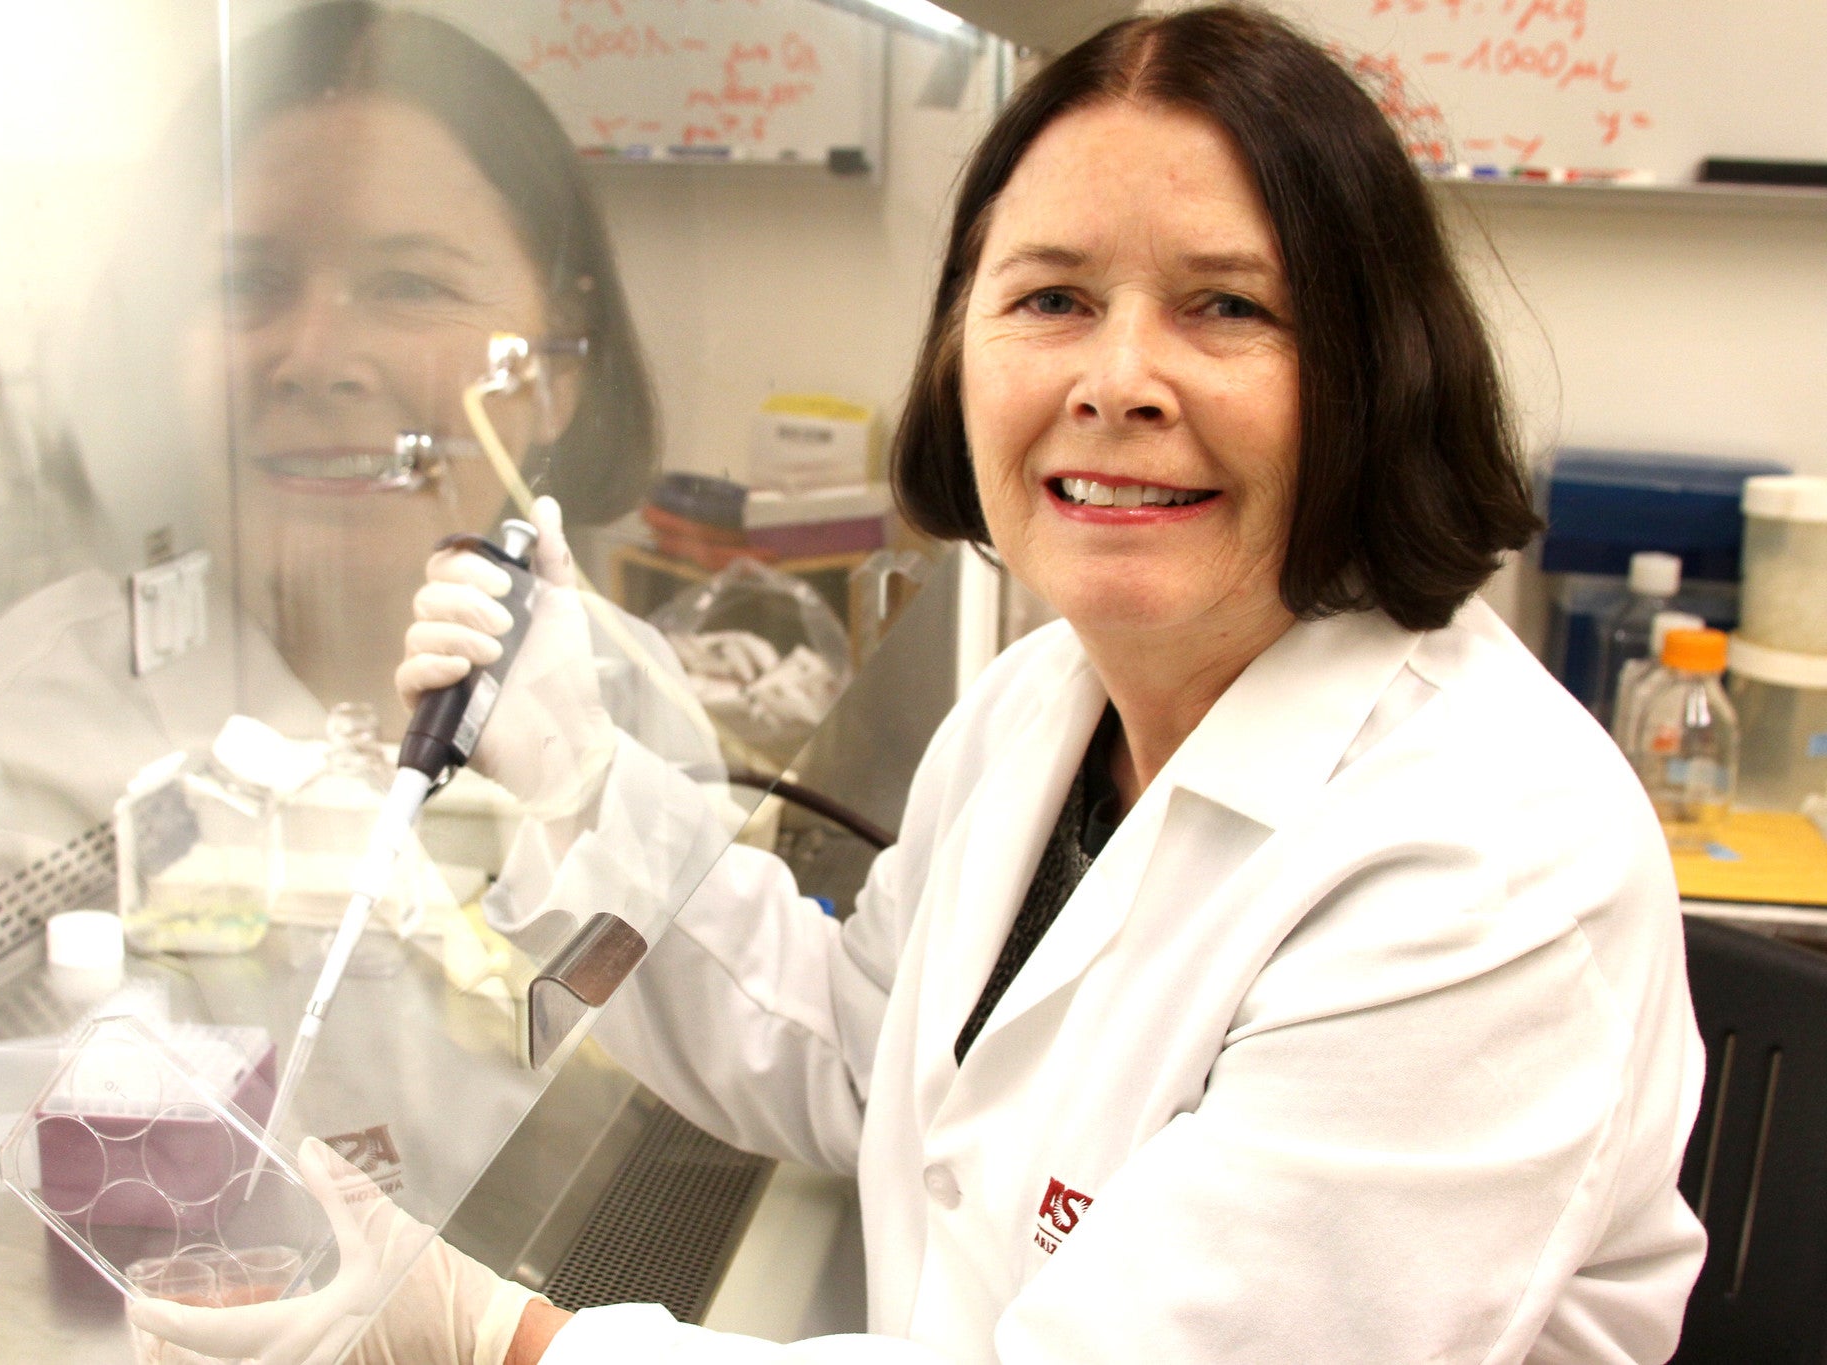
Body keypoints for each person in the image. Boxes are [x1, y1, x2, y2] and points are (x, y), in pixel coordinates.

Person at [137, 6, 1706, 1364]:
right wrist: (588, 788)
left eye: (1227, 306)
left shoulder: (1487, 874)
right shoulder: (1043, 707)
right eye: (1050, 299)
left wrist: (488, 1334)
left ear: (1373, 370)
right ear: (964, 355)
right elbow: (857, 1056)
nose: (1115, 379)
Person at [0, 0, 682, 949]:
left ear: (560, 366)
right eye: (246, 284)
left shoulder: (628, 704)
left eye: (409, 284)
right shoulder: (11, 748)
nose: (316, 357)